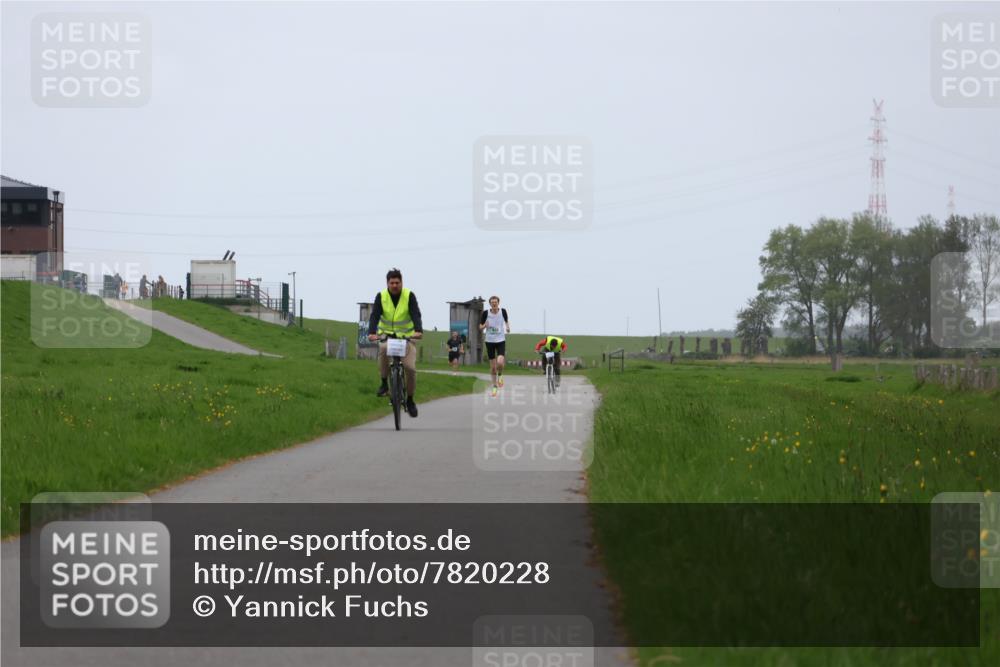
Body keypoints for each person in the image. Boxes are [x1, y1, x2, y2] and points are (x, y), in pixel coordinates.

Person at [367, 268, 423, 417]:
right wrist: (372, 332)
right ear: (387, 283)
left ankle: (410, 400)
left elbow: (415, 314)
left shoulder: (409, 296)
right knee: (384, 349)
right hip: (388, 336)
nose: (394, 285)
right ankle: (385, 383)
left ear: (402, 282)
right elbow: (374, 315)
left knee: (410, 368)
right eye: (391, 283)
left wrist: (418, 331)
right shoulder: (381, 296)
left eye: (397, 282)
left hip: (407, 338)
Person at [479, 296, 510, 395]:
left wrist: (508, 327)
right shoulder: (485, 313)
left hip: (500, 340)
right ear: (490, 304)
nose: (494, 304)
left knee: (500, 362)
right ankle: (494, 386)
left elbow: (506, 321)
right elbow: (480, 327)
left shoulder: (503, 311)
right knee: (492, 367)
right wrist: (484, 326)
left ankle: (500, 375)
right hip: (489, 341)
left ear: (498, 303)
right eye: (492, 302)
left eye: (495, 302)